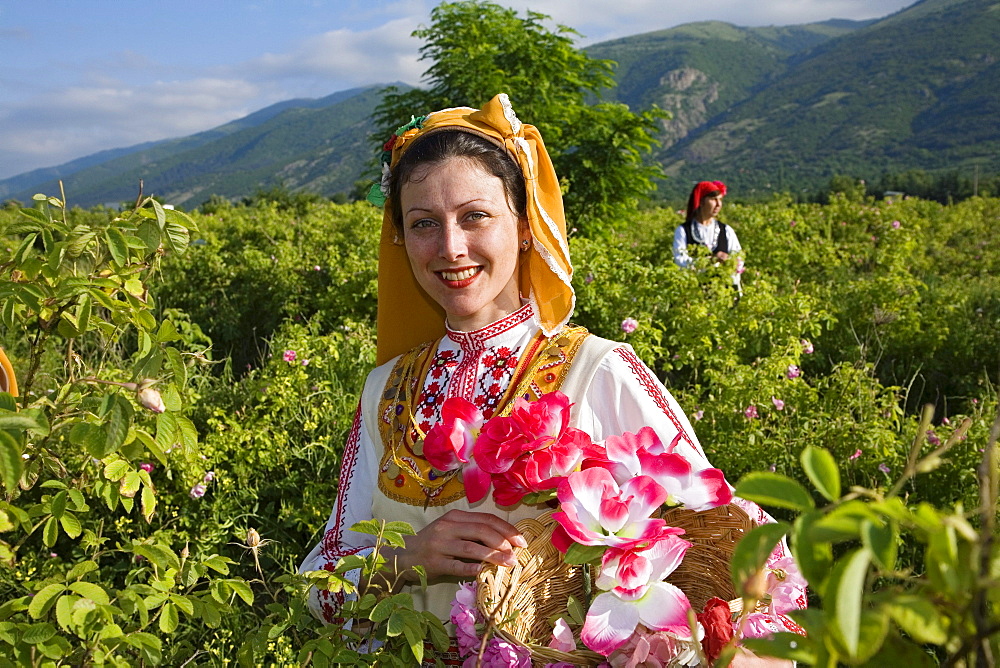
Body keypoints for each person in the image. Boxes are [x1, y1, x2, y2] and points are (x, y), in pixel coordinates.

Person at [299, 95, 802, 661]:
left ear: (523, 224)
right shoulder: (386, 390)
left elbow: (738, 553)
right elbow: (320, 584)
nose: (450, 247)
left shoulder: (599, 372)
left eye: (475, 215)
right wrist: (408, 559)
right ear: (401, 240)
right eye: (423, 224)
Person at [673, 180, 744, 295]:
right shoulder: (684, 231)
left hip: (724, 292)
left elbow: (738, 256)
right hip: (694, 292)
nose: (718, 204)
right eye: (713, 199)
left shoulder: (725, 230)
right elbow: (680, 259)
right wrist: (709, 261)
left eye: (720, 200)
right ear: (701, 202)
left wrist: (730, 262)